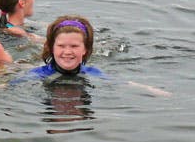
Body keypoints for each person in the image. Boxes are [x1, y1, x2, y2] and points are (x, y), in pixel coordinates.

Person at [21, 16, 170, 96]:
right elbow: (11, 84)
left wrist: (149, 89)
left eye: (74, 46)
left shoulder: (91, 72)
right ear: (52, 48)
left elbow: (120, 82)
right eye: (61, 46)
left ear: (85, 49)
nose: (67, 52)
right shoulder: (38, 74)